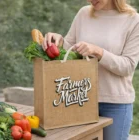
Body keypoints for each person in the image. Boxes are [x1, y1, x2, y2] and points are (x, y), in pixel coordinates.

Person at [42, 0, 139, 140]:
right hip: (80, 99)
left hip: (115, 104)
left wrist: (98, 52)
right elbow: (70, 49)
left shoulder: (133, 20)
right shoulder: (83, 13)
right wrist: (59, 41)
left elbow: (128, 66)